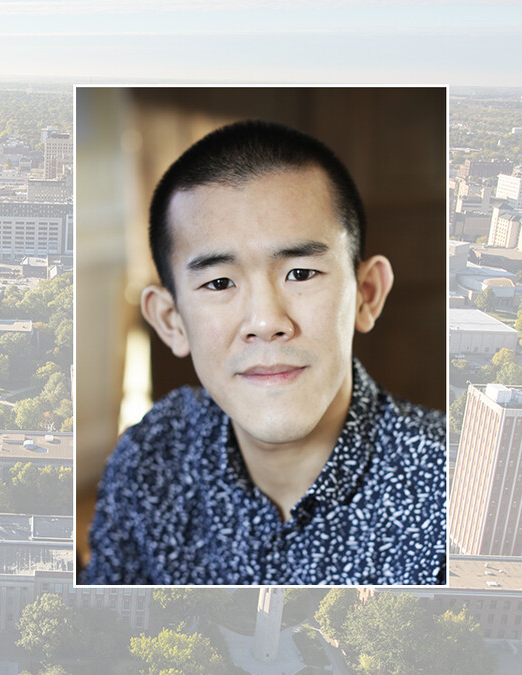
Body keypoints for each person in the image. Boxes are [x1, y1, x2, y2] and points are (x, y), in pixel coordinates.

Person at [83, 120, 445, 585]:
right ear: (172, 321)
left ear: (366, 294)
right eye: (218, 283)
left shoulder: (456, 499)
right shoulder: (152, 456)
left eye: (301, 274)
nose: (266, 322)